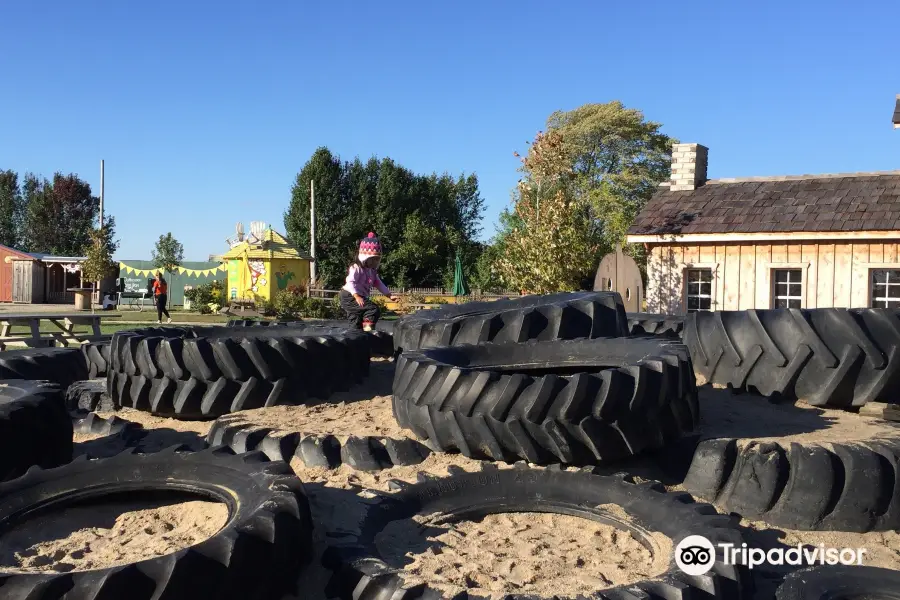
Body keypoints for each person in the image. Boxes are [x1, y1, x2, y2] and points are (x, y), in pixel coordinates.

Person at [340, 232, 398, 331]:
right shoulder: (356, 268)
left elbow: (378, 283)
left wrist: (389, 295)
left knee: (355, 321)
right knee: (372, 309)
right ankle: (368, 330)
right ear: (365, 258)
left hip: (358, 297)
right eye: (373, 259)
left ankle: (356, 337)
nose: (375, 262)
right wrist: (356, 296)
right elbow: (350, 282)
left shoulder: (372, 271)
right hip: (349, 296)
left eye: (377, 259)